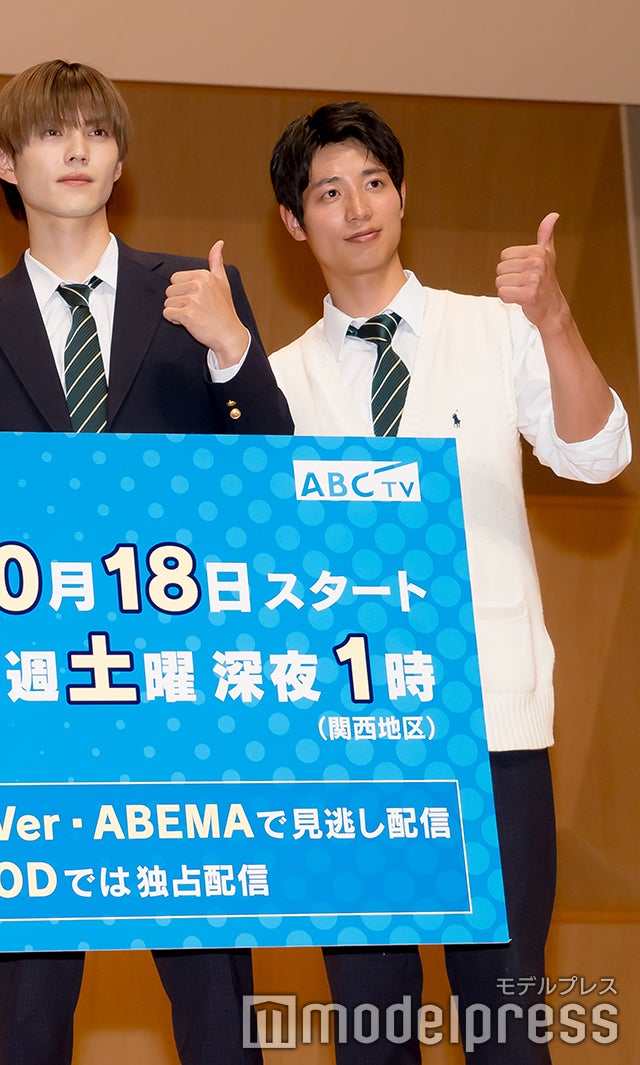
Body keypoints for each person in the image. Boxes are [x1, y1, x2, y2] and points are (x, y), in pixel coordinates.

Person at [0, 59, 292, 1065]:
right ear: (6, 161)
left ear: (121, 160)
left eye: (95, 131)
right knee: (31, 997)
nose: (76, 149)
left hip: (180, 682)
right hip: (32, 691)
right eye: (50, 132)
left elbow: (270, 477)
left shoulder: (199, 293)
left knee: (213, 987)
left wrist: (230, 350)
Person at [267, 100, 630, 1064]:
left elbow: (598, 454)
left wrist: (555, 319)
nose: (357, 208)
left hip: (492, 724)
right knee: (372, 1027)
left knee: (506, 1023)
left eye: (374, 183)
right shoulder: (280, 382)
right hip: (348, 742)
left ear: (403, 197)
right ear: (294, 223)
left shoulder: (495, 329)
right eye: (328, 192)